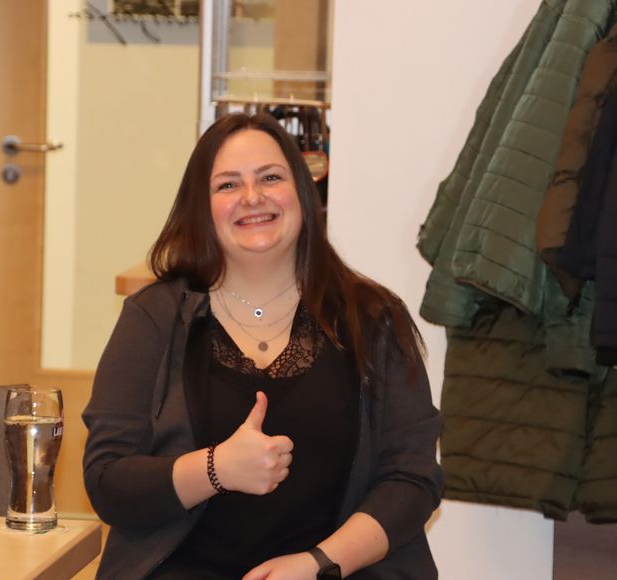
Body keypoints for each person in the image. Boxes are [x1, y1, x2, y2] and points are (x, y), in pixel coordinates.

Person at [82, 112, 443, 580]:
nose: (252, 197)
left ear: (303, 192)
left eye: (270, 177)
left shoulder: (372, 318)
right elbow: (108, 481)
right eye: (228, 185)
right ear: (201, 208)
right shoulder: (152, 316)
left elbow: (412, 477)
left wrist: (318, 564)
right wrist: (216, 469)